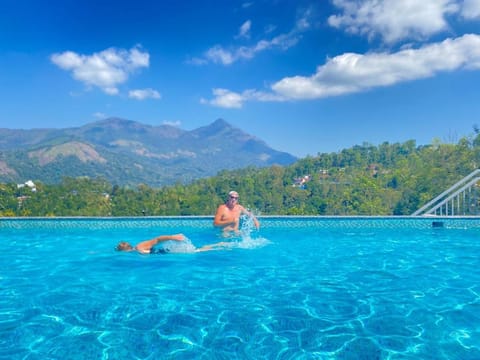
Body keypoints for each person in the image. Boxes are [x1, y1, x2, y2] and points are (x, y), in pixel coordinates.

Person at [115, 234, 230, 254]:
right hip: (167, 253)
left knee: (196, 251)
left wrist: (173, 237)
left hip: (170, 250)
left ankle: (219, 245)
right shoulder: (136, 251)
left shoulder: (139, 247)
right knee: (197, 250)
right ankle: (218, 245)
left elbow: (157, 240)